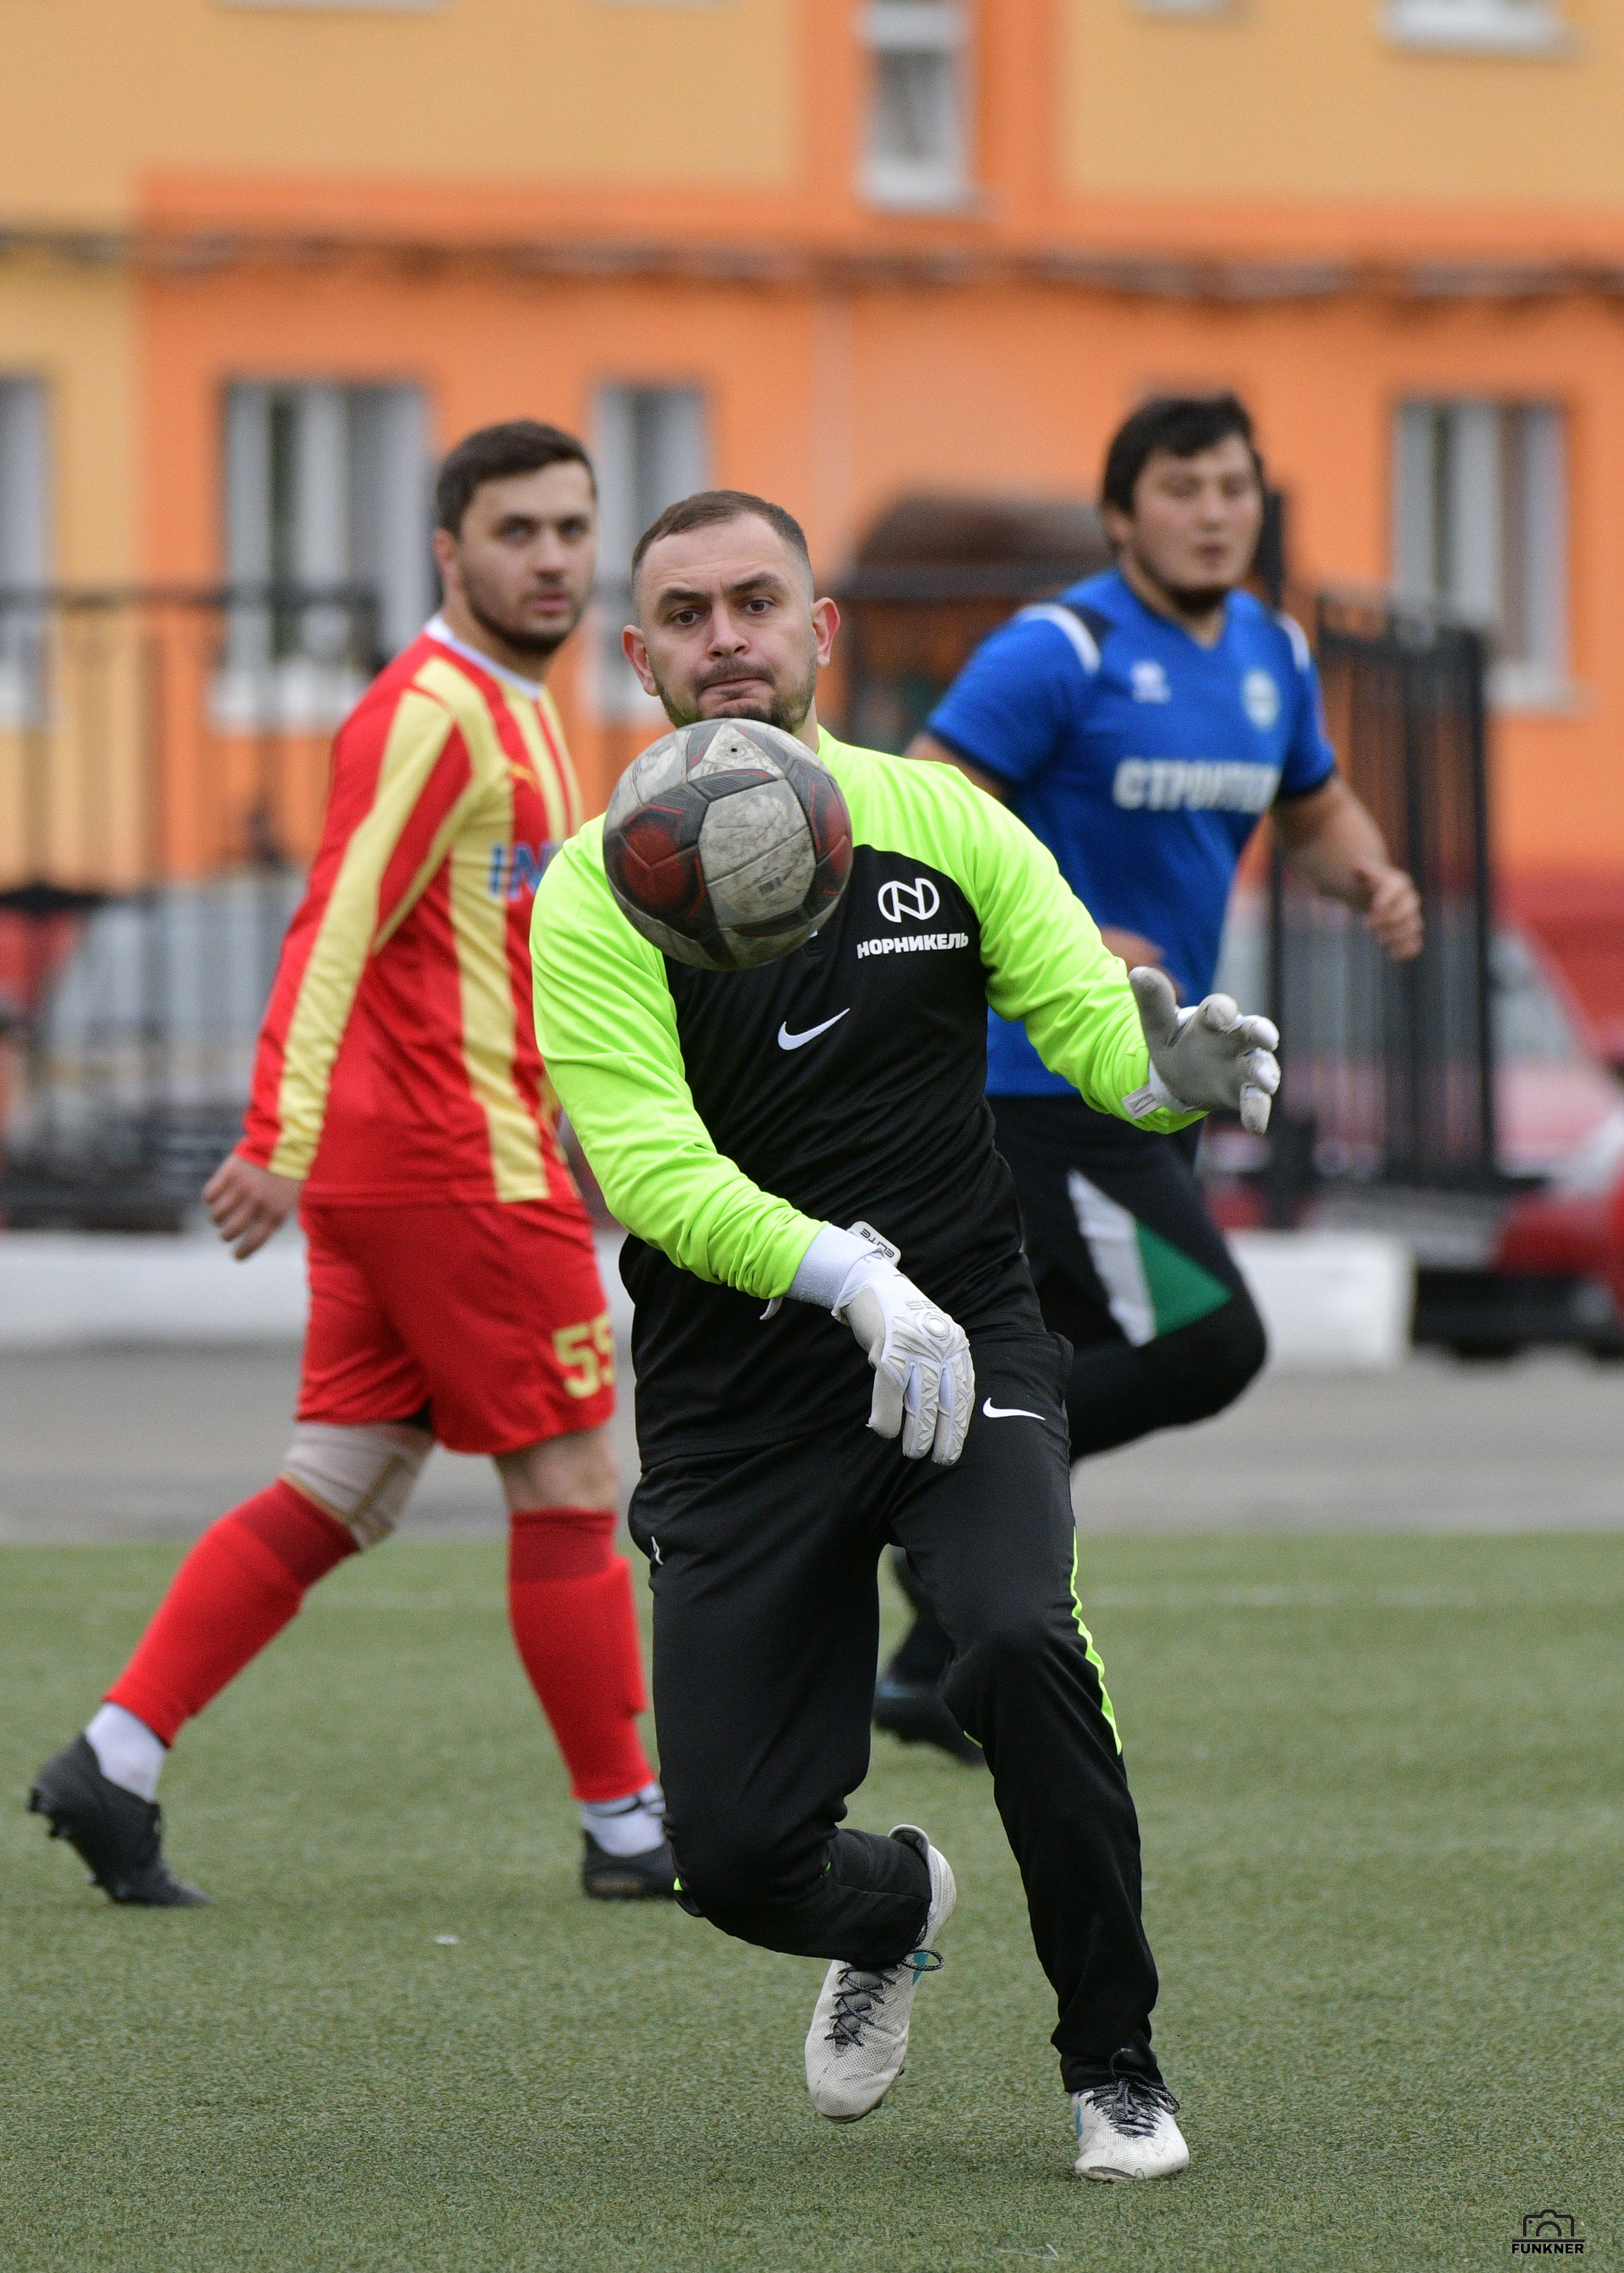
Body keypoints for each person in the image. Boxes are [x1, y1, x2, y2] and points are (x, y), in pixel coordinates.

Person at [531, 488, 1282, 2182]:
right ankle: (897, 1903)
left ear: (820, 632)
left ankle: (1114, 2065)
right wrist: (843, 1276)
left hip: (966, 1348)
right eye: (684, 611)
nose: (723, 634)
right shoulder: (590, 894)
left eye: (754, 600)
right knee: (725, 1857)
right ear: (637, 651)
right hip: (739, 1398)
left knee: (1014, 1638)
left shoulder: (936, 822)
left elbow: (1089, 1021)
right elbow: (648, 1170)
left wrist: (1158, 1076)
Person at [29, 420, 674, 1908]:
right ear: (448, 550)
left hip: (429, 1158)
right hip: (455, 1156)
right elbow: (331, 923)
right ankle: (630, 1826)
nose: (554, 556)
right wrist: (275, 1130)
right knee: (574, 1470)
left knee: (342, 1478)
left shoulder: (521, 705)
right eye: (518, 530)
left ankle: (113, 1759)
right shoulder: (431, 711)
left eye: (574, 527)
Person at [878, 393, 1423, 1757]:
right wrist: (1064, 923)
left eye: (1234, 485)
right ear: (1123, 513)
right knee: (1205, 1344)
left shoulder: (1270, 652)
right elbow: (924, 803)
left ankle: (932, 1650)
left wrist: (1364, 869)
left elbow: (1309, 802)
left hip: (1155, 1083)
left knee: (1055, 1355)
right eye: (1182, 487)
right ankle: (916, 1499)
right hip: (1041, 1082)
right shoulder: (1056, 648)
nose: (1214, 510)